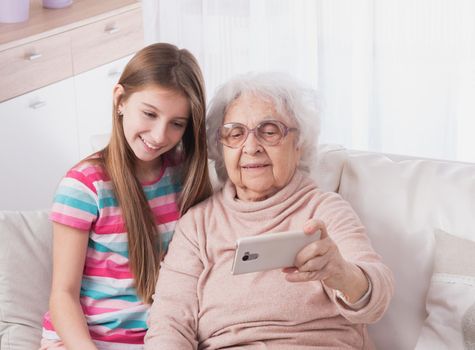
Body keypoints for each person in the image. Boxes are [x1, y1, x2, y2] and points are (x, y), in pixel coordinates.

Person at [144, 72, 394, 349]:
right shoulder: (198, 223)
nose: (251, 147)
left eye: (270, 131)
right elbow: (169, 322)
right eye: (235, 133)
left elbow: (376, 301)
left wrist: (341, 273)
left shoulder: (324, 209)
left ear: (298, 145)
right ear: (220, 147)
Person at [39, 43, 213, 350]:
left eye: (176, 124)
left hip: (162, 337)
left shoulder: (184, 174)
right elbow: (62, 294)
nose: (159, 136)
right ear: (120, 100)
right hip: (85, 340)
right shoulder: (85, 186)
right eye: (149, 113)